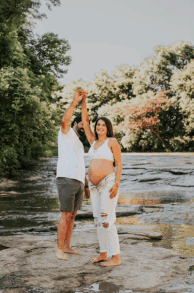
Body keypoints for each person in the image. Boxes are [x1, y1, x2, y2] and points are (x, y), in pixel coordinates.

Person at [81, 90, 122, 267]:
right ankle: (103, 253)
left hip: (107, 183)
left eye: (103, 126)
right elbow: (85, 121)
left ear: (108, 128)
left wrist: (117, 184)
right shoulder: (92, 142)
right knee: (98, 221)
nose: (99, 127)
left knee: (107, 220)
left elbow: (119, 164)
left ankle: (116, 257)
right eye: (98, 125)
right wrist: (83, 101)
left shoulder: (112, 142)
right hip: (93, 186)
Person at [56, 90, 90, 261]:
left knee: (73, 215)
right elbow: (65, 119)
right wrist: (75, 101)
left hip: (78, 181)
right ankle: (59, 249)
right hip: (66, 179)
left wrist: (86, 185)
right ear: (76, 123)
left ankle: (67, 246)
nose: (84, 125)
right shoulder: (66, 133)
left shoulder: (80, 144)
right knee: (66, 214)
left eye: (86, 123)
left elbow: (80, 164)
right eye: (82, 123)